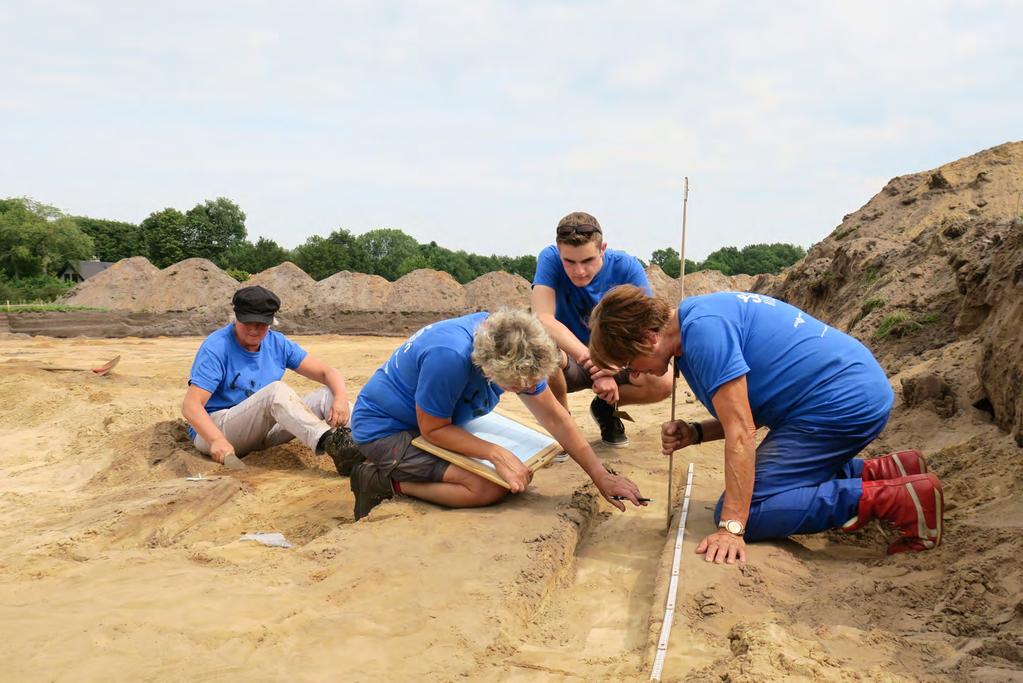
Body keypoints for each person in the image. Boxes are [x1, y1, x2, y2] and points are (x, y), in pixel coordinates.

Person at [588, 286, 944, 562]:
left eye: (630, 364)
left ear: (648, 338)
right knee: (759, 490)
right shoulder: (696, 321)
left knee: (751, 511)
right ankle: (885, 471)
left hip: (840, 402)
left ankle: (899, 499)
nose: (636, 374)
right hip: (840, 390)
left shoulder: (704, 335)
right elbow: (750, 407)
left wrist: (732, 528)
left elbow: (742, 433)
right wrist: (697, 432)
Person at [347, 309, 647, 520]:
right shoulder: (449, 357)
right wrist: (496, 454)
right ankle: (379, 480)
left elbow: (556, 417)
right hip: (388, 430)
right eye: (518, 386)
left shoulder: (517, 342)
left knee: (509, 475)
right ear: (488, 370)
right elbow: (433, 429)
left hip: (442, 419)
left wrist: (600, 475)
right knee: (486, 487)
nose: (528, 390)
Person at [181, 285, 360, 475]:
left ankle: (374, 439)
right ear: (236, 318)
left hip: (261, 431)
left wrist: (340, 397)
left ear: (271, 322)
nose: (253, 329)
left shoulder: (277, 343)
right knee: (276, 391)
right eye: (247, 322)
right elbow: (191, 406)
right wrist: (216, 439)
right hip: (216, 431)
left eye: (261, 324)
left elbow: (327, 372)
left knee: (327, 395)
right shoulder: (216, 347)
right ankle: (332, 444)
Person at [531, 211, 672, 447]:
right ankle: (563, 427)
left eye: (587, 261)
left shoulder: (627, 267)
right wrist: (593, 362)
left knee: (663, 381)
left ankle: (607, 407)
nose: (579, 271)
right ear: (559, 251)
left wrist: (609, 365)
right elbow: (543, 318)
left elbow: (648, 327)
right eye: (569, 262)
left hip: (615, 357)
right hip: (571, 359)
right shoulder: (549, 258)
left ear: (602, 249)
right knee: (540, 354)